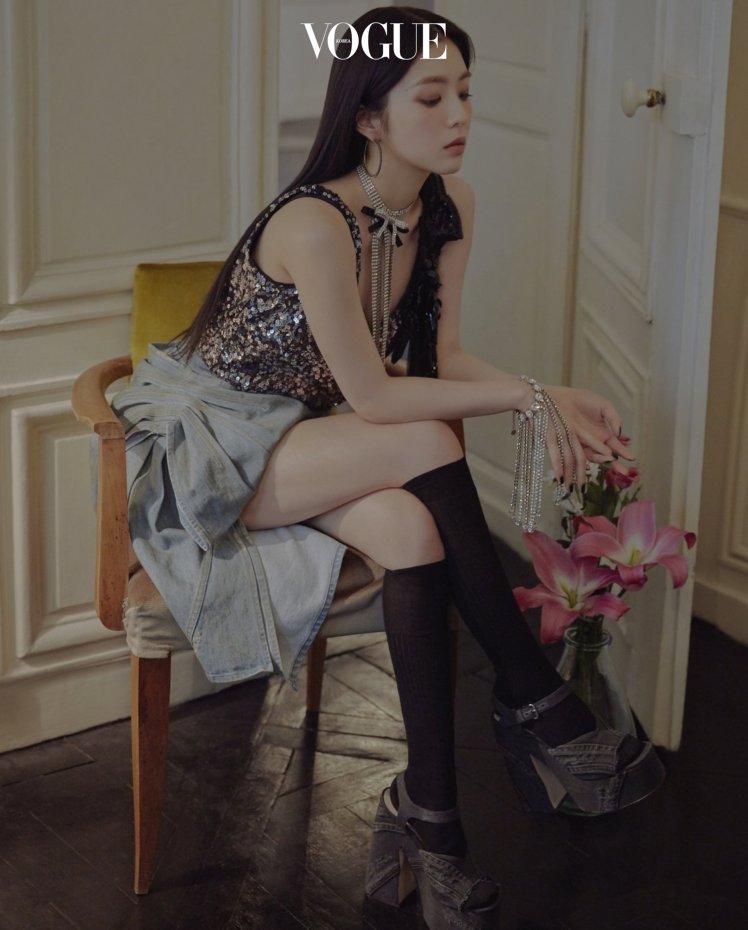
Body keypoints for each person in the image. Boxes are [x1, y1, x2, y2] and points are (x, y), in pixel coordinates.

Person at [112, 7, 665, 927]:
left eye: (466, 93)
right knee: (426, 440)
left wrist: (549, 393)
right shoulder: (314, 222)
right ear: (368, 116)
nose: (460, 115)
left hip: (310, 434)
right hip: (217, 449)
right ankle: (535, 702)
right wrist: (526, 400)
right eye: (432, 96)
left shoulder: (449, 207)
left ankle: (430, 819)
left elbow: (441, 360)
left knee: (414, 532)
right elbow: (376, 397)